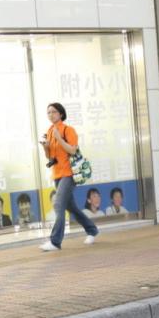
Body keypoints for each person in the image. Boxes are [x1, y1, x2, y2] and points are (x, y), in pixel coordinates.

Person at [38, 102, 99, 251]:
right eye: (48, 112)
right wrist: (45, 147)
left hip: (69, 174)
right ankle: (92, 230)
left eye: (53, 112)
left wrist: (59, 139)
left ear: (61, 114)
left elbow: (72, 150)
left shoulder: (68, 130)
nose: (51, 115)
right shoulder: (50, 131)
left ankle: (55, 241)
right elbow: (50, 157)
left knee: (58, 204)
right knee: (71, 207)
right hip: (57, 174)